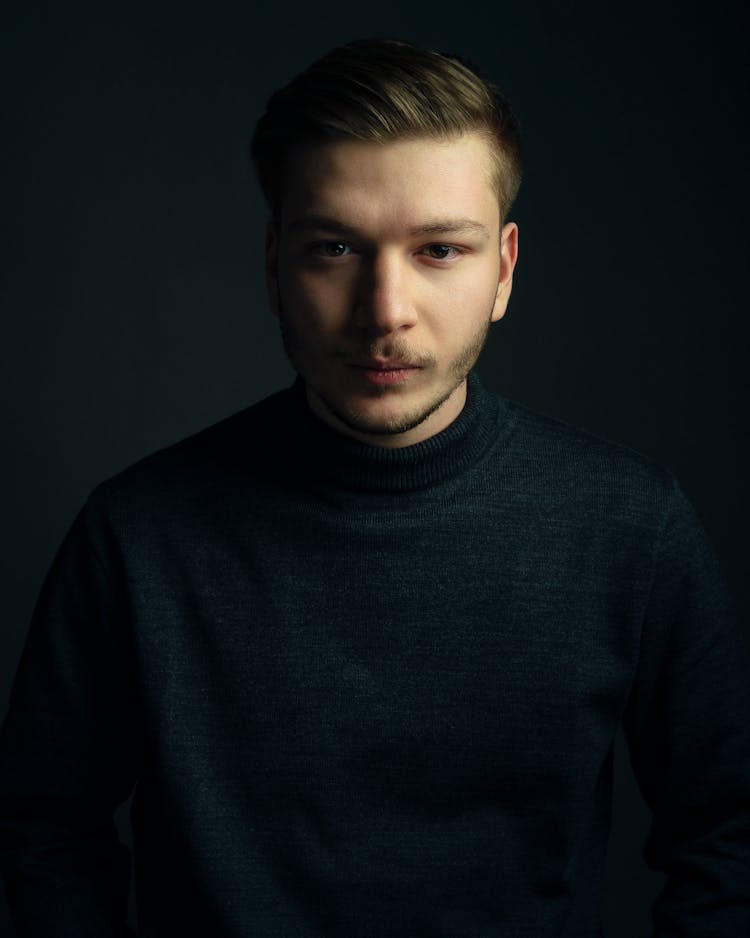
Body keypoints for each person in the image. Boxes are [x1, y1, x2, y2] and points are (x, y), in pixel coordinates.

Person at [1, 36, 749, 938]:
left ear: (503, 270)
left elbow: (729, 834)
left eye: (439, 250)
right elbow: (41, 828)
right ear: (275, 263)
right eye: (335, 249)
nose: (384, 309)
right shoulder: (137, 535)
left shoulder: (632, 526)